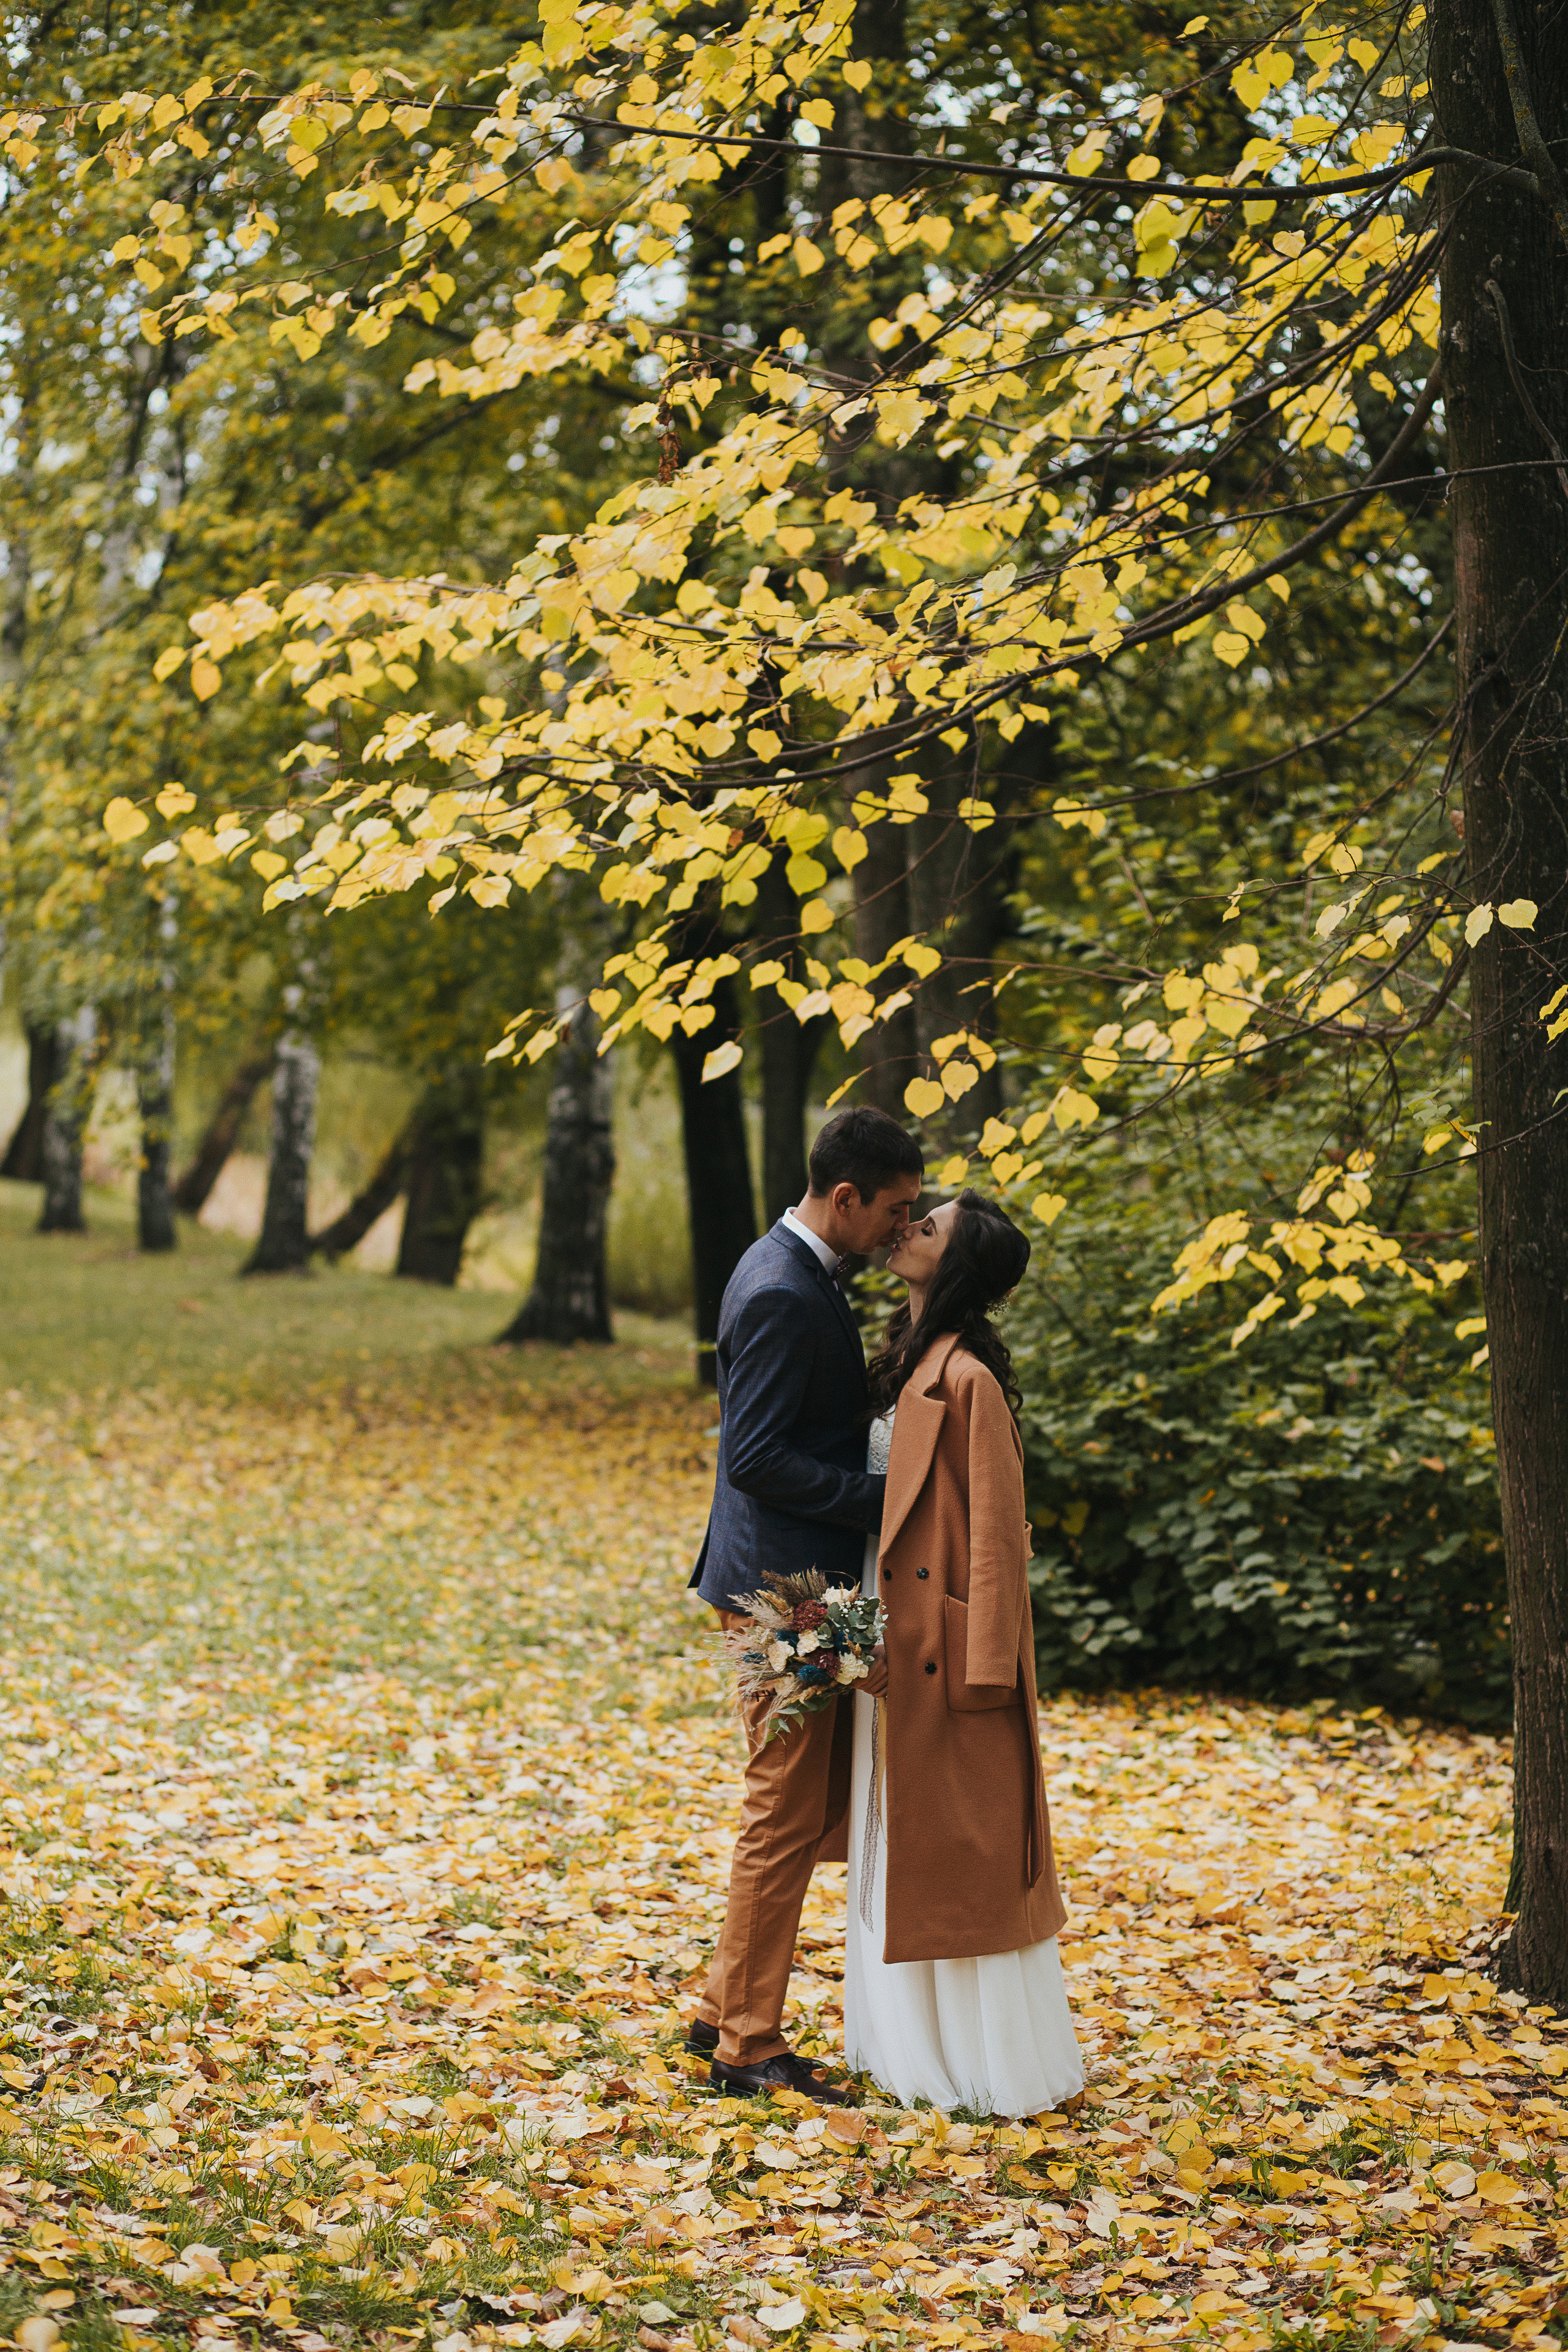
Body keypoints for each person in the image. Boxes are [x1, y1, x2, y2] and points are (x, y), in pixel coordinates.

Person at [686, 1106, 924, 2100]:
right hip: (788, 1594)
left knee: (800, 1806)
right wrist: (885, 1499)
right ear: (844, 1197)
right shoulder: (785, 1289)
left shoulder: (784, 1267)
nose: (902, 1229)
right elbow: (756, 1457)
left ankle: (717, 2013)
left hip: (794, 1587)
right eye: (896, 1210)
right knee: (784, 1814)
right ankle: (748, 2045)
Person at [844, 1188, 1084, 2116]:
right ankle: (905, 2048)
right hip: (884, 1633)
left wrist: (986, 1676)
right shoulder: (908, 1358)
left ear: (957, 1267)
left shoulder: (969, 1380)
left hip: (944, 1654)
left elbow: (997, 1537)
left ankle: (978, 2062)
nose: (907, 1228)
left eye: (928, 1227)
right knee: (891, 1834)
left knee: (953, 1850)